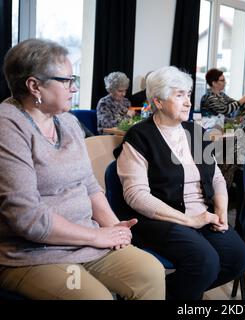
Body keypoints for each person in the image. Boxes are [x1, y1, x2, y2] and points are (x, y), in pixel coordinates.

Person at [0, 39, 165, 300]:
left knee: (150, 272)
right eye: (66, 80)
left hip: (86, 242)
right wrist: (96, 236)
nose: (74, 87)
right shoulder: (7, 127)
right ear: (34, 86)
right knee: (95, 298)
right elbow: (27, 217)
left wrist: (115, 229)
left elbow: (88, 184)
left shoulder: (67, 121)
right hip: (34, 255)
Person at [114, 66, 245, 300]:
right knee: (205, 262)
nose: (188, 102)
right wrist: (190, 220)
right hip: (160, 219)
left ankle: (166, 293)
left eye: (188, 94)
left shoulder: (195, 131)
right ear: (158, 101)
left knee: (239, 258)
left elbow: (216, 176)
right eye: (179, 95)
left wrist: (220, 210)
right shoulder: (140, 136)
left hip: (202, 214)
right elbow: (135, 195)